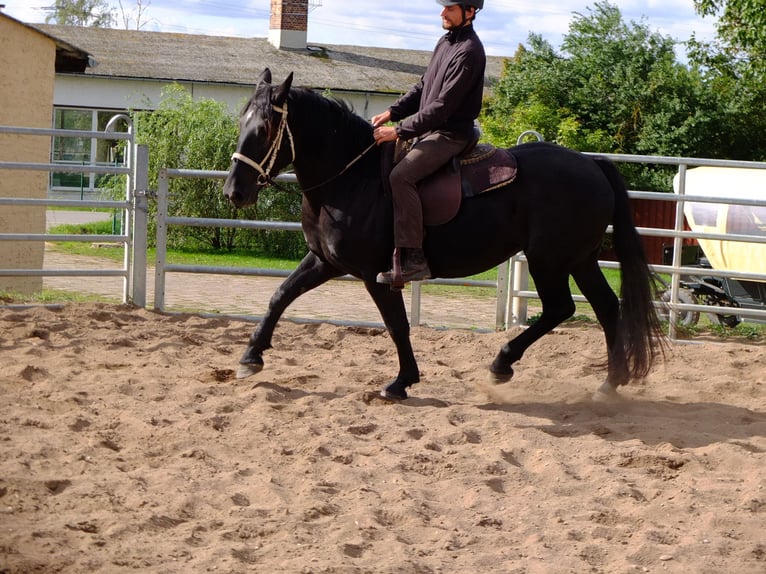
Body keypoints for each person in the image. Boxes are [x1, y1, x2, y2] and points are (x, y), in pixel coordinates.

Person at [372, 0, 486, 285]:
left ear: (469, 12)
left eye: (449, 8)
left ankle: (414, 259)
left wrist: (399, 130)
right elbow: (423, 87)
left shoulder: (470, 51)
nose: (442, 13)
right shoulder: (445, 43)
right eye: (443, 8)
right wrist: (392, 111)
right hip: (429, 131)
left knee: (401, 177)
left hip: (449, 134)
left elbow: (442, 107)